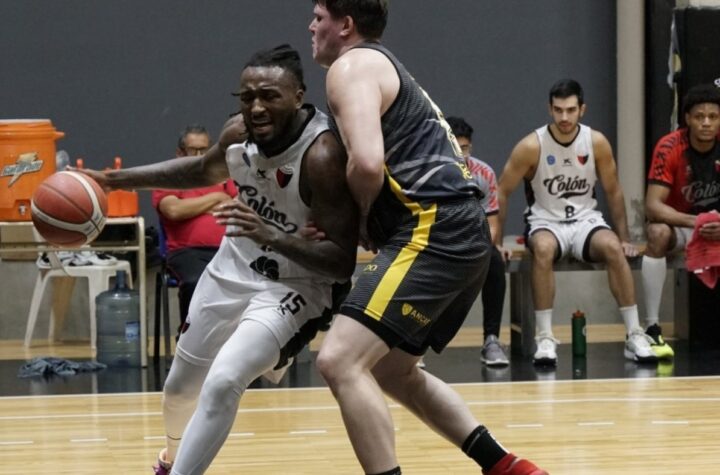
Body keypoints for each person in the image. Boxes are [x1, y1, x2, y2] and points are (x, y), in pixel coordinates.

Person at [78, 44, 358, 475]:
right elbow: (198, 171)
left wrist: (270, 234)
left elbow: (340, 263)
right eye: (247, 97)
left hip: (295, 286)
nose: (257, 107)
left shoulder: (321, 156)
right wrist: (115, 179)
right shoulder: (237, 134)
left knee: (225, 380)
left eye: (269, 96)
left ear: (298, 96)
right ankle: (171, 460)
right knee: (178, 390)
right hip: (231, 268)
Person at [309, 2, 546, 474]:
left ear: (346, 25)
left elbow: (368, 163)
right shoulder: (384, 66)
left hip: (432, 230)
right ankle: (505, 466)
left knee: (338, 360)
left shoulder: (351, 67)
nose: (311, 25)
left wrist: (360, 221)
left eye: (319, 15)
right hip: (464, 231)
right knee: (392, 370)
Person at [496, 78, 657, 366]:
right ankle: (545, 338)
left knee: (613, 247)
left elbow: (613, 191)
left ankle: (634, 333)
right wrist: (496, 242)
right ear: (550, 109)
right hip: (545, 221)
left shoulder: (595, 142)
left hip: (586, 220)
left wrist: (624, 238)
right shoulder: (531, 146)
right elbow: (501, 192)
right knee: (543, 249)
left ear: (582, 109)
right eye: (558, 110)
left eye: (570, 110)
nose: (564, 117)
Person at [642, 84, 720, 359]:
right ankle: (652, 327)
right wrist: (696, 221)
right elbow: (652, 206)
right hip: (683, 225)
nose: (706, 122)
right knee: (657, 233)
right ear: (687, 119)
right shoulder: (670, 146)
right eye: (699, 116)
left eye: (713, 116)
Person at [151, 125, 238, 340]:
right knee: (195, 281)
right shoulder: (169, 178)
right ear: (180, 153)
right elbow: (173, 210)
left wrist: (193, 207)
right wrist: (217, 199)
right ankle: (190, 340)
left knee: (254, 280)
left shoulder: (223, 176)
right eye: (193, 150)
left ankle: (235, 343)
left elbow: (239, 204)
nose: (200, 156)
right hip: (187, 252)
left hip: (229, 249)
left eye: (204, 150)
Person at [446, 116, 509, 367]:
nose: (461, 154)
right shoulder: (429, 172)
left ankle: (491, 340)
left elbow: (492, 224)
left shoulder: (484, 173)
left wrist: (481, 245)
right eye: (455, 148)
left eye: (465, 148)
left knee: (495, 261)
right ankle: (412, 349)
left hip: (473, 243)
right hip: (439, 243)